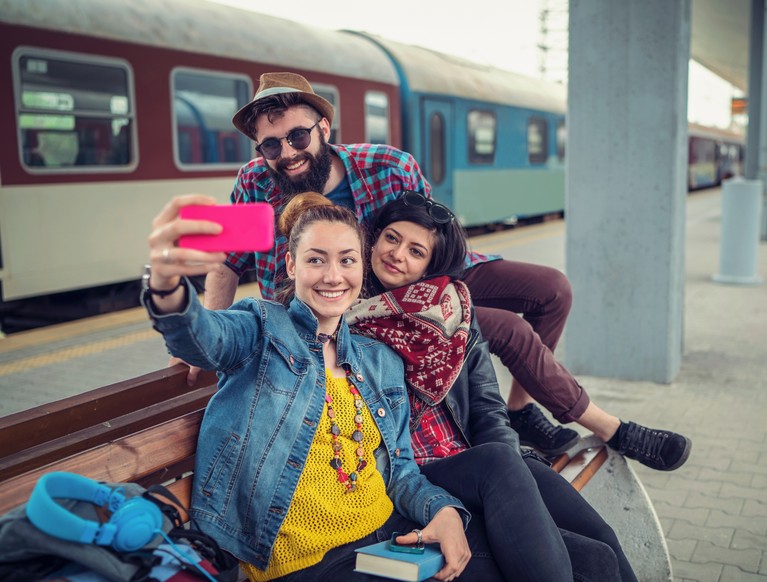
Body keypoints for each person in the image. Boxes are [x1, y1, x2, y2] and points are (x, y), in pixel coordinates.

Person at [194, 71, 692, 472]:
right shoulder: (253, 182)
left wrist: (442, 298)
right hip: (356, 313)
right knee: (506, 329)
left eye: (297, 135)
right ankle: (611, 427)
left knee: (553, 290)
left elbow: (431, 242)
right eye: (271, 145)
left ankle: (521, 410)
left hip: (423, 279)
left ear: (323, 128)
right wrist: (202, 348)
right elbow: (226, 264)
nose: (287, 153)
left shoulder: (389, 165)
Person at [144, 194, 500, 581]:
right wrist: (165, 287)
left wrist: (443, 511)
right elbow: (202, 337)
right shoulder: (259, 328)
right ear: (291, 264)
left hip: (388, 538)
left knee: (552, 558)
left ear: (362, 268)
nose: (333, 276)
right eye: (316, 259)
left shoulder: (378, 358)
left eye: (347, 260)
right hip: (311, 564)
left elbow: (401, 471)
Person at [344, 191, 637, 581]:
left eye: (416, 251)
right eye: (392, 239)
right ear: (374, 238)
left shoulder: (454, 310)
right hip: (418, 470)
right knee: (587, 558)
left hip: (482, 460)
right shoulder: (348, 311)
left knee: (601, 539)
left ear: (431, 264)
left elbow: (487, 407)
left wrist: (513, 472)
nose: (398, 254)